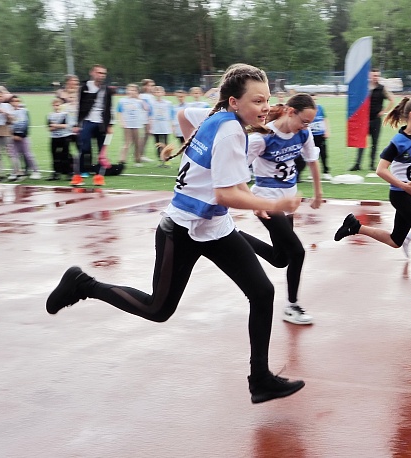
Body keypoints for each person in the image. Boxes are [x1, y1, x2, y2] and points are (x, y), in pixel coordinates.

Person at [45, 63, 306, 404]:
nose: (266, 107)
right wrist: (271, 203)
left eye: (267, 99)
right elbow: (224, 195)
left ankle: (260, 380)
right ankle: (83, 284)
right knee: (158, 309)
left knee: (262, 292)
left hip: (215, 227)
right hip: (181, 229)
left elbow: (185, 117)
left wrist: (203, 162)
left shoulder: (215, 116)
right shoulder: (231, 132)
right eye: (257, 101)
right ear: (234, 102)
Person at [334, 97, 411, 295]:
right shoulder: (398, 142)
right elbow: (381, 169)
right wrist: (403, 186)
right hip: (400, 195)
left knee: (395, 241)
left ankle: (354, 226)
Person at [242, 93, 323, 325]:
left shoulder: (303, 133)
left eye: (309, 123)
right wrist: (253, 202)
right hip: (267, 199)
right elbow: (236, 171)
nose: (305, 126)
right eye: (304, 121)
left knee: (281, 259)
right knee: (297, 252)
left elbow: (312, 161)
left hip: (288, 201)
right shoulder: (262, 138)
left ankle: (236, 237)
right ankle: (292, 306)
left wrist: (318, 192)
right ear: (290, 111)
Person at [75, 64, 114, 185]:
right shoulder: (84, 87)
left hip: (102, 123)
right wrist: (76, 123)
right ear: (92, 73)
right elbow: (79, 106)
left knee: (101, 151)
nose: (101, 75)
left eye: (103, 73)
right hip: (87, 121)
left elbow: (109, 107)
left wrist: (110, 124)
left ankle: (99, 177)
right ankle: (79, 175)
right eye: (99, 73)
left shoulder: (107, 90)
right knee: (84, 148)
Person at [349, 70, 395, 171]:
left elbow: (392, 100)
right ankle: (357, 164)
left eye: (377, 75)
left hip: (376, 120)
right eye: (374, 75)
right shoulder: (364, 88)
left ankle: (372, 164)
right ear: (370, 76)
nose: (375, 77)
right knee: (361, 142)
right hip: (364, 120)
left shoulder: (381, 88)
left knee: (374, 143)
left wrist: (384, 111)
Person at [116, 83, 149, 167]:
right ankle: (122, 160)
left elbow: (146, 108)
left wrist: (139, 98)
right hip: (127, 124)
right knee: (127, 142)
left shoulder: (139, 101)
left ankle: (137, 160)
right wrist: (122, 122)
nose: (132, 92)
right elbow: (119, 112)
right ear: (127, 91)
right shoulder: (122, 101)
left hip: (136, 124)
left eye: (134, 90)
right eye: (130, 90)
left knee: (137, 143)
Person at [9, 95, 41, 179]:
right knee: (13, 155)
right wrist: (12, 135)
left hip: (23, 137)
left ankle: (36, 171)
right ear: (10, 103)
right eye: (13, 101)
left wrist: (22, 136)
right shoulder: (8, 112)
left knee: (28, 154)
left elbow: (27, 124)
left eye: (17, 101)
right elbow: (7, 125)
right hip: (12, 137)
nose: (15, 103)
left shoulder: (24, 111)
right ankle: (15, 172)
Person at [47, 97, 74, 181]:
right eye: (54, 105)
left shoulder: (65, 114)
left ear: (61, 105)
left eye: (58, 105)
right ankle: (56, 173)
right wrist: (58, 126)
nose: (56, 107)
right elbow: (49, 128)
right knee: (54, 156)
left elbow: (66, 125)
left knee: (65, 155)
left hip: (64, 137)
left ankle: (69, 173)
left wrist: (55, 125)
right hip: (54, 137)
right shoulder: (50, 115)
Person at [150, 86, 174, 166]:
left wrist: (172, 125)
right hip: (156, 126)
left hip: (165, 126)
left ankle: (166, 159)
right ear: (154, 94)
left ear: (163, 93)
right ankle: (160, 159)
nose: (158, 93)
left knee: (165, 143)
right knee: (157, 144)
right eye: (156, 92)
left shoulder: (168, 103)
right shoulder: (152, 103)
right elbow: (150, 115)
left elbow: (171, 115)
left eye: (160, 92)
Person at [309, 93, 332, 180]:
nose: (314, 101)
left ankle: (326, 171)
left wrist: (327, 130)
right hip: (311, 136)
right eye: (312, 100)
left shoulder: (320, 108)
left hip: (320, 134)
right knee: (312, 155)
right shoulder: (307, 110)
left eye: (315, 99)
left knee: (323, 154)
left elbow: (325, 119)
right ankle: (313, 173)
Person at [139, 79, 156, 162]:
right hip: (144, 120)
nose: (152, 87)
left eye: (152, 85)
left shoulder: (151, 96)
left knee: (146, 137)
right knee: (143, 137)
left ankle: (141, 155)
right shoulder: (142, 96)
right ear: (145, 86)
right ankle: (140, 155)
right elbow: (147, 109)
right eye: (150, 85)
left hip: (149, 119)